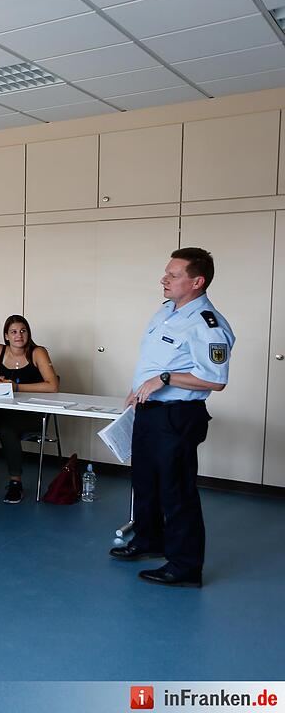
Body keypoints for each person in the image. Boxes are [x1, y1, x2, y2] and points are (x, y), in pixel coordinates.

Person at [109, 248, 233, 588]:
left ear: (197, 281)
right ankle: (149, 540)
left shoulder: (207, 324)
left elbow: (215, 380)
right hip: (149, 410)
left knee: (177, 491)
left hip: (177, 415)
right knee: (145, 482)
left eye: (173, 275)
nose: (164, 279)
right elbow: (153, 361)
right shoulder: (167, 312)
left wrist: (165, 380)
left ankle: (185, 567)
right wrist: (139, 389)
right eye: (166, 272)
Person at [0, 315, 59, 504]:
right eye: (14, 332)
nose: (19, 335)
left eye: (23, 331)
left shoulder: (37, 352)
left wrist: (16, 387)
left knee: (7, 429)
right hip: (2, 408)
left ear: (28, 333)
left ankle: (16, 482)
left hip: (30, 411)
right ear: (6, 335)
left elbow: (52, 386)